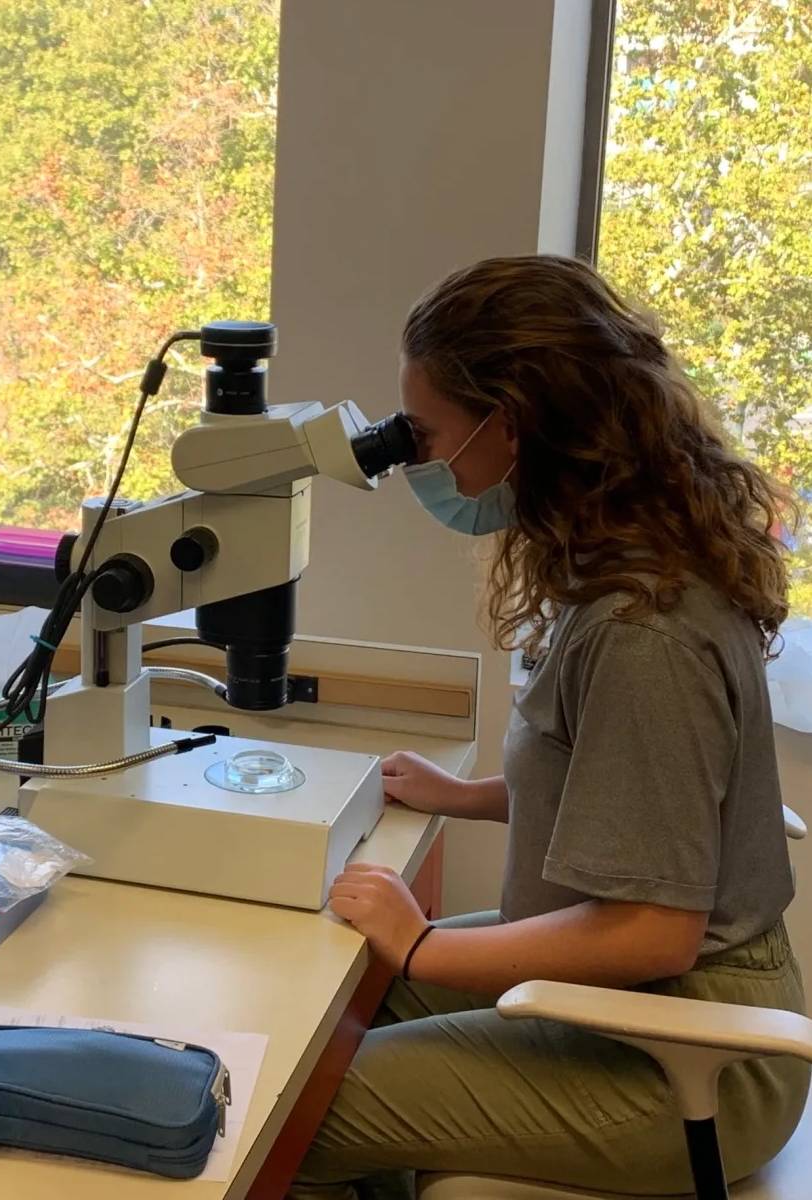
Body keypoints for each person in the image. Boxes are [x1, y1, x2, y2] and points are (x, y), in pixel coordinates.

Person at [289, 255, 810, 1199]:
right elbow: (624, 789)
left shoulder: (643, 630)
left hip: (687, 1056)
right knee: (329, 1002)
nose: (421, 462)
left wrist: (423, 945)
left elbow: (653, 930)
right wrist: (463, 797)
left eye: (427, 434)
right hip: (624, 1005)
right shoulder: (624, 567)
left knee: (291, 1111)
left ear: (514, 425)